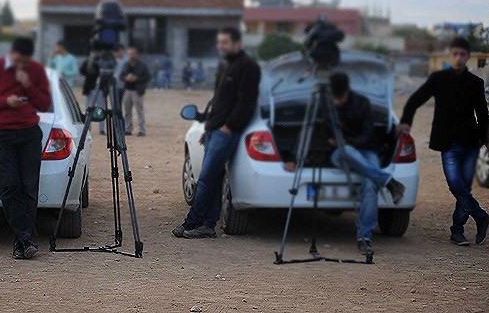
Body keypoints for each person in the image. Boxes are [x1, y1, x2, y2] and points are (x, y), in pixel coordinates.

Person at [285, 72, 406, 254]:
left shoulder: (362, 103)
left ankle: (364, 238)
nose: (337, 102)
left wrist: (347, 142)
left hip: (366, 151)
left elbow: (368, 135)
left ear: (347, 92)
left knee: (370, 183)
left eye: (340, 98)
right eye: (334, 97)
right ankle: (389, 181)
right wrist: (294, 157)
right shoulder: (326, 105)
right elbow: (307, 129)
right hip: (340, 155)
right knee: (346, 151)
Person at [399, 37, 489, 246]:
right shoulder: (438, 79)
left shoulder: (475, 83)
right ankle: (481, 216)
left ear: (468, 57)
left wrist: (486, 138)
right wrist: (405, 121)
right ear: (450, 55)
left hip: (471, 142)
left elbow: (483, 114)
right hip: (448, 143)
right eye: (455, 54)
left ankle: (457, 230)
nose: (458, 58)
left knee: (464, 187)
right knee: (455, 184)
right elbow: (415, 99)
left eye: (463, 54)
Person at [173, 27, 261, 239]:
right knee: (213, 177)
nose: (221, 46)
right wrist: (209, 127)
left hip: (228, 132)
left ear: (237, 43)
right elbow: (218, 101)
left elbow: (246, 103)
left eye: (225, 43)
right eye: (219, 42)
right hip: (214, 129)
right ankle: (208, 225)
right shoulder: (225, 65)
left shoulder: (248, 67)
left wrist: (229, 126)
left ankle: (191, 222)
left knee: (205, 178)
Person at [0, 37, 52, 260]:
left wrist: (28, 84)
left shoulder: (36, 70)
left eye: (25, 61)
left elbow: (44, 104)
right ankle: (25, 237)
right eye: (18, 60)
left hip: (29, 133)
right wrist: (5, 102)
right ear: (11, 53)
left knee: (29, 187)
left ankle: (22, 241)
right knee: (9, 186)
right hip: (1, 134)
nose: (21, 65)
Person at [120, 47, 150, 137]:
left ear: (136, 54)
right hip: (127, 90)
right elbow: (121, 76)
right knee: (127, 111)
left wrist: (137, 79)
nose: (130, 55)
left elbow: (147, 77)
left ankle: (142, 130)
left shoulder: (142, 66)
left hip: (137, 91)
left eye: (132, 54)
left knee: (139, 111)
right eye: (129, 54)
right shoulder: (126, 65)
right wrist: (125, 78)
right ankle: (128, 129)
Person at [79, 50, 106, 134]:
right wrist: (89, 64)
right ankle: (87, 128)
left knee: (101, 108)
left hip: (100, 88)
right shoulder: (88, 62)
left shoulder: (103, 62)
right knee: (89, 108)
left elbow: (104, 75)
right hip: (90, 88)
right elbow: (82, 71)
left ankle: (101, 129)